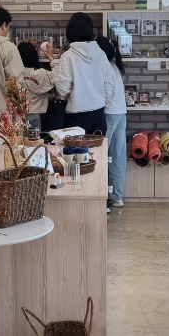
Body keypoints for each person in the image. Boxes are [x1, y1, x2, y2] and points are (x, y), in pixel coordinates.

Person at [50, 12, 113, 134]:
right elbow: (109, 86)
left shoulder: (68, 56)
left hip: (76, 117)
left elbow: (63, 89)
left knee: (74, 147)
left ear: (70, 31)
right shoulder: (101, 54)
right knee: (99, 147)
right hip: (99, 115)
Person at [96, 36, 127, 208]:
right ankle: (117, 196)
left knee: (101, 156)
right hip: (121, 113)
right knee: (117, 156)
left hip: (108, 114)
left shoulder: (103, 67)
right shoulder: (115, 67)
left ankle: (102, 199)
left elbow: (104, 94)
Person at [17, 42, 54, 132]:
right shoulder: (42, 73)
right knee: (37, 140)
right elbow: (60, 75)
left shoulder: (14, 74)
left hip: (18, 116)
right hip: (39, 114)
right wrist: (51, 57)